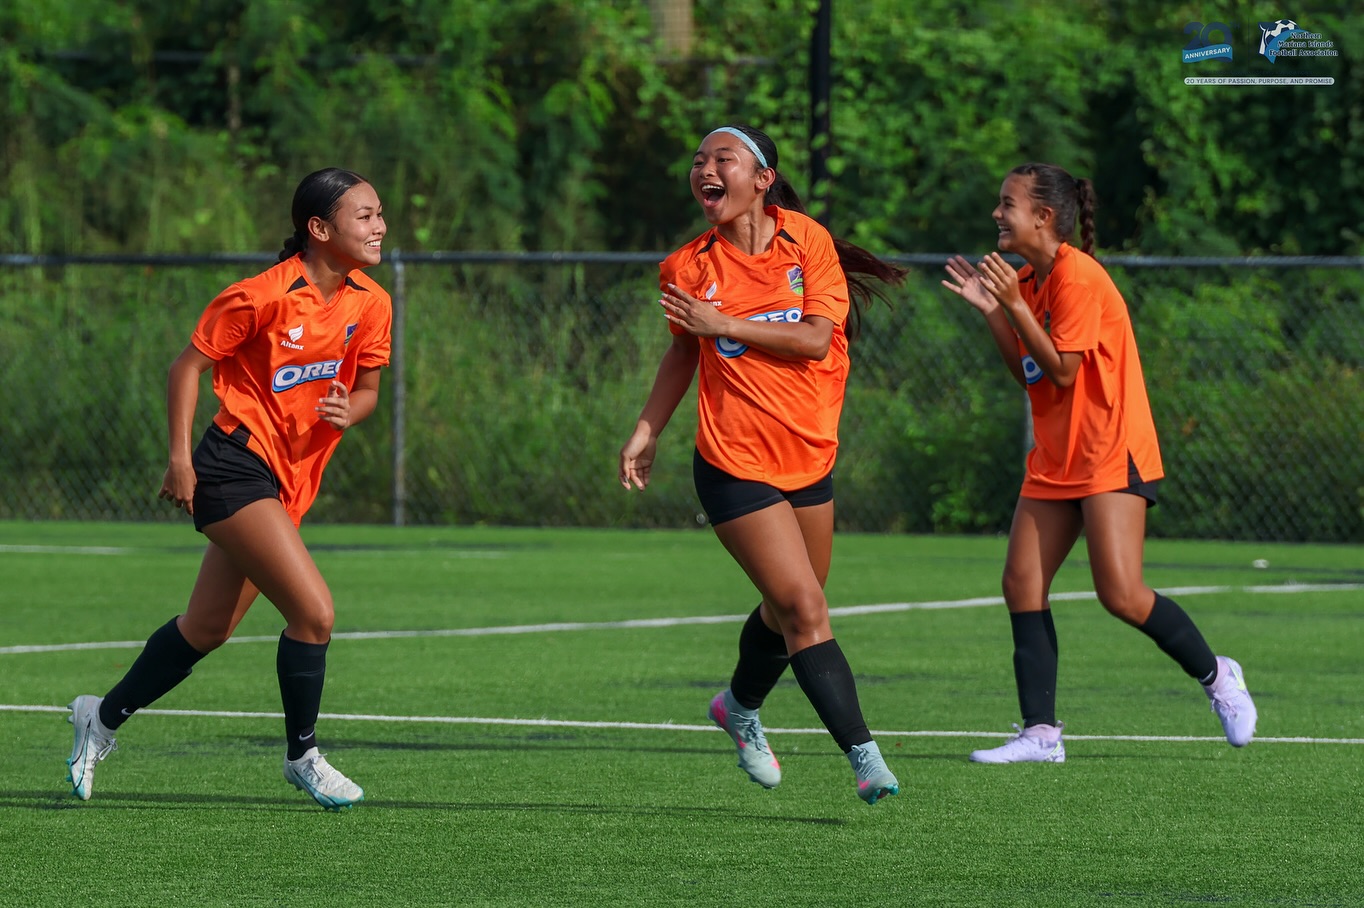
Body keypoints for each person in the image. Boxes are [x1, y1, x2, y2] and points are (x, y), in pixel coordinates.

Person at [65, 167, 392, 808]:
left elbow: (369, 392)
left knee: (207, 628)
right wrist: (179, 460)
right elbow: (186, 367)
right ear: (319, 228)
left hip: (288, 481)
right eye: (364, 215)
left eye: (380, 213)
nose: (379, 226)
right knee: (314, 614)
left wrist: (346, 411)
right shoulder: (261, 295)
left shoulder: (371, 302)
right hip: (232, 466)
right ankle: (303, 756)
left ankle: (97, 719)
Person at [619, 125, 907, 804]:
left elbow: (814, 340)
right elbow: (684, 350)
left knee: (788, 611)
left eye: (723, 159)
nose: (705, 169)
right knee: (805, 606)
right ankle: (865, 758)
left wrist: (724, 325)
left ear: (763, 179)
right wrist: (646, 429)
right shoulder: (687, 265)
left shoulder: (806, 241)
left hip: (808, 456)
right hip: (733, 461)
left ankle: (738, 707)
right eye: (699, 161)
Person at [940, 162, 1258, 763]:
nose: (996, 214)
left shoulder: (1077, 277)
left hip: (1111, 453)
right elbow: (1032, 373)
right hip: (1057, 457)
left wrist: (1013, 305)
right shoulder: (1028, 282)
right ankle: (1040, 734)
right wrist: (995, 310)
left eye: (1007, 204)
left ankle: (1219, 676)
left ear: (1044, 216)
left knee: (1121, 594)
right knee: (1021, 583)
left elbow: (1063, 369)